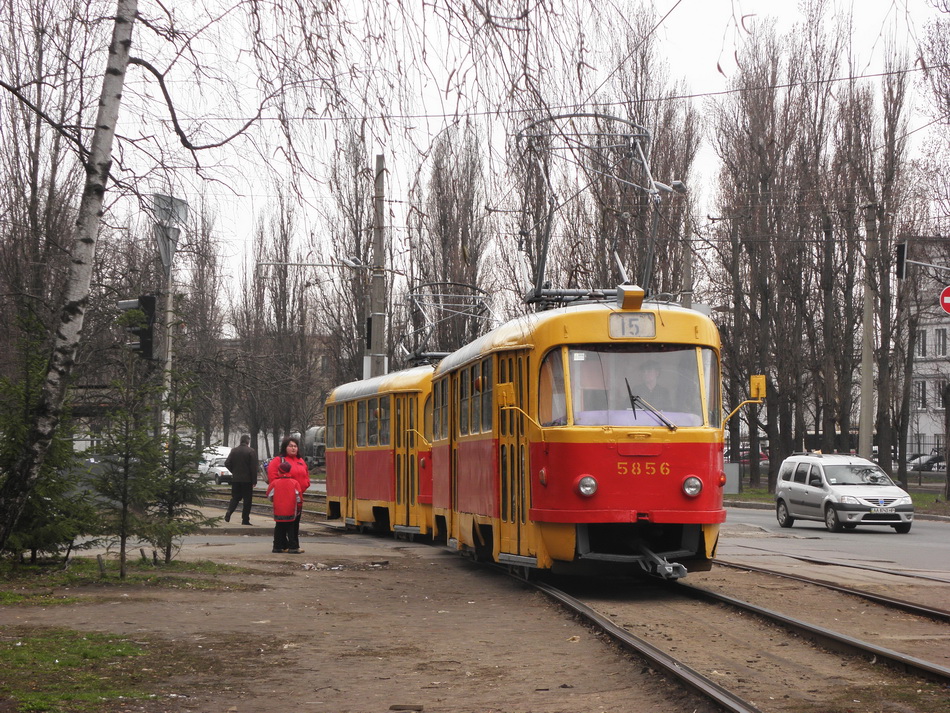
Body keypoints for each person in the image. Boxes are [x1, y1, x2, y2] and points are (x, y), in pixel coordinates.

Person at [266, 436, 311, 553]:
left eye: (295, 446)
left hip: (296, 498)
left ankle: (287, 544)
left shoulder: (300, 461)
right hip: (284, 498)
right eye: (290, 446)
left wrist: (303, 487)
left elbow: (306, 476)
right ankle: (288, 545)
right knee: (283, 523)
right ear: (285, 447)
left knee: (294, 523)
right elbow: (273, 478)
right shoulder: (278, 461)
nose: (293, 448)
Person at [266, 460, 303, 553]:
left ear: (280, 471)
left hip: (278, 510)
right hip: (290, 510)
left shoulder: (275, 483)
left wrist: (274, 500)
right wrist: (298, 508)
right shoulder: (294, 483)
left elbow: (269, 495)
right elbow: (299, 498)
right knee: (291, 528)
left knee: (278, 527)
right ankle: (293, 547)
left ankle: (277, 546)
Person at [224, 435, 259, 525]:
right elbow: (253, 467)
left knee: (235, 498)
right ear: (248, 441)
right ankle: (245, 519)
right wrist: (254, 480)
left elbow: (227, 463)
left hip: (236, 479)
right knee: (247, 500)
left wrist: (234, 471)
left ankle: (229, 512)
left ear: (240, 441)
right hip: (247, 480)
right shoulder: (251, 451)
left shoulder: (234, 450)